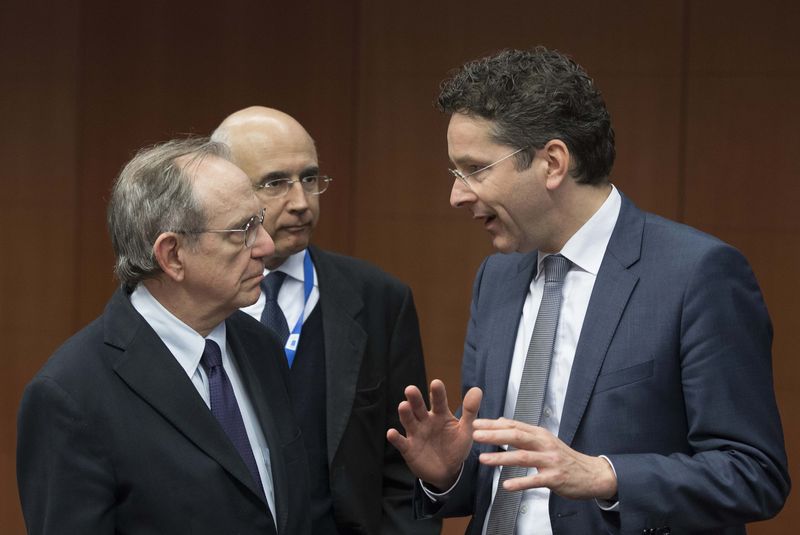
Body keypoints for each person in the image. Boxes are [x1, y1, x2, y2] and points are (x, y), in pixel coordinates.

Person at [387, 46, 790, 534]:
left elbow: (753, 474)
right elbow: (501, 471)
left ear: (553, 162)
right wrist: (448, 474)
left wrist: (603, 475)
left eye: (475, 169)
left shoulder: (697, 275)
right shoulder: (495, 279)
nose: (457, 194)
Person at [17, 137, 311, 535]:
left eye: (259, 221)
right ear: (172, 255)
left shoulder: (261, 345)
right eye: (242, 230)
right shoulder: (71, 396)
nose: (266, 245)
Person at [212, 106, 440, 535]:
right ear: (225, 189)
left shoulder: (379, 299)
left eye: (310, 179)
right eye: (276, 183)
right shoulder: (197, 302)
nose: (300, 202)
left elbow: (405, 467)